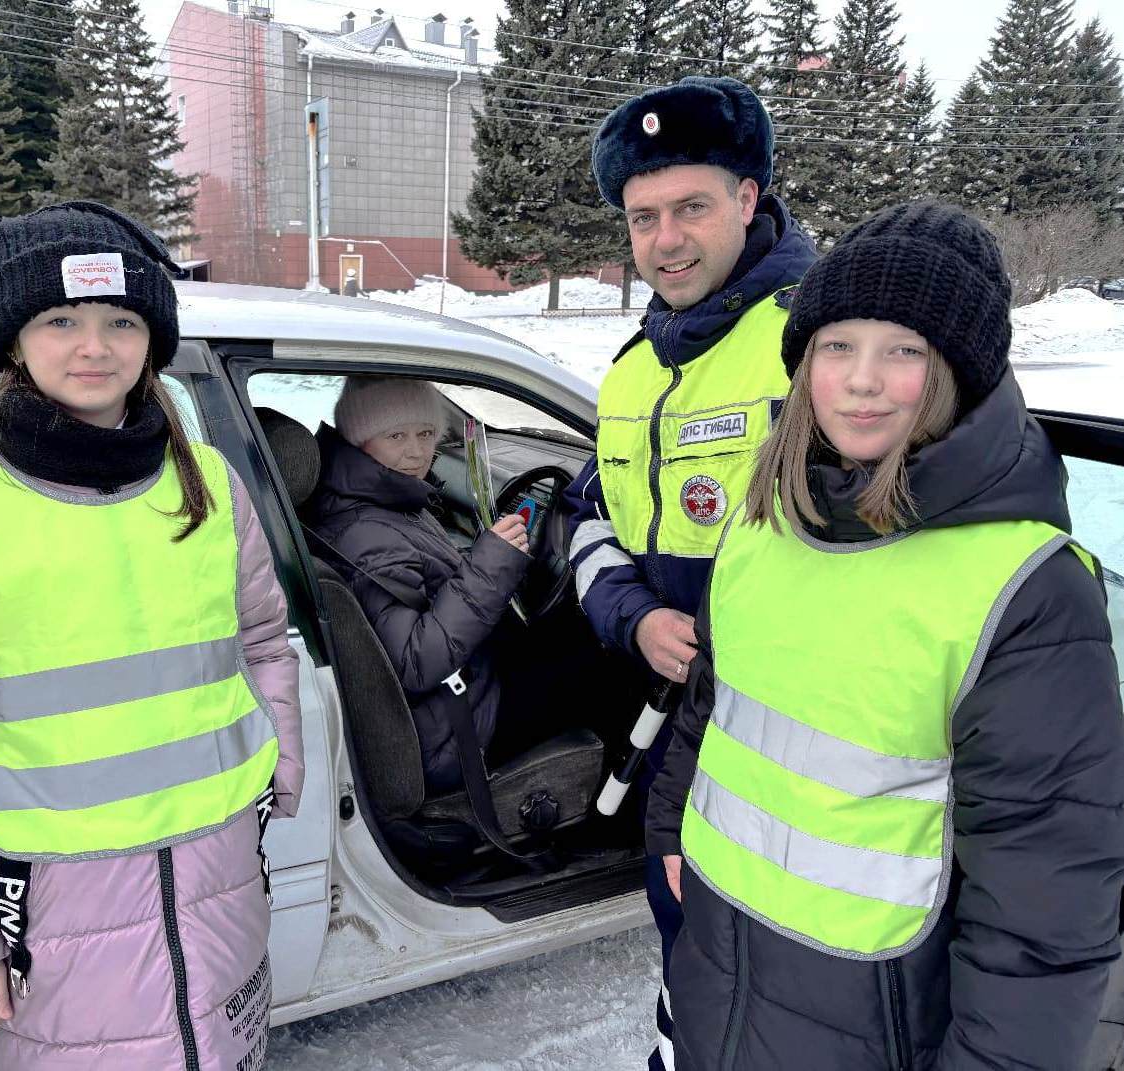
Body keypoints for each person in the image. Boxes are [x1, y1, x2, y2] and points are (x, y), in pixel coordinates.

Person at [647, 201, 1124, 1070]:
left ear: (956, 372)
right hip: (720, 971)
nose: (861, 379)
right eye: (836, 345)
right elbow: (713, 706)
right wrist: (668, 834)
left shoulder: (1024, 591)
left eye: (903, 349)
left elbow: (1042, 918)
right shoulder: (763, 526)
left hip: (882, 1023)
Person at [0, 202, 304, 1070]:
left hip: (219, 872)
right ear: (14, 341)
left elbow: (264, 642)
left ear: (152, 339)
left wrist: (278, 761)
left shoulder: (208, 481)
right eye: (61, 320)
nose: (95, 347)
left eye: (121, 320)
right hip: (54, 903)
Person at [562, 75, 817, 1068]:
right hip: (679, 736)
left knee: (791, 980)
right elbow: (587, 517)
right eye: (642, 217)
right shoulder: (632, 372)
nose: (664, 239)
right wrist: (631, 616)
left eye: (691, 208)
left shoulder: (817, 343)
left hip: (791, 742)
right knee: (694, 950)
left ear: (747, 200)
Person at [309, 376, 530, 792]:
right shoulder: (365, 532)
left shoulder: (387, 499)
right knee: (594, 674)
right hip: (449, 730)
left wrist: (476, 564)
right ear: (359, 439)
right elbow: (414, 662)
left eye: (426, 433)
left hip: (457, 694)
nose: (416, 451)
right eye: (396, 435)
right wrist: (490, 565)